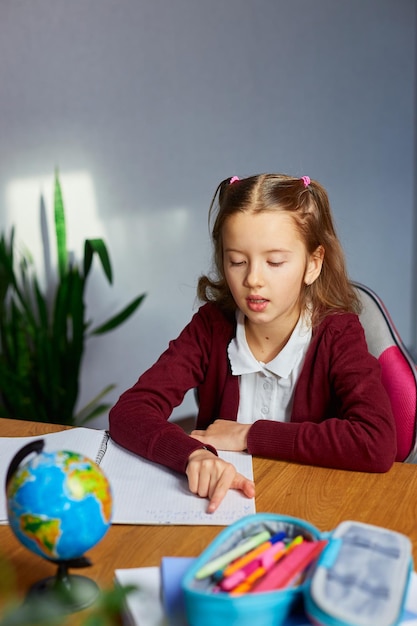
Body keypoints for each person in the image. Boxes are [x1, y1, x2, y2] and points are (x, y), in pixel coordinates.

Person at [109, 173, 397, 513]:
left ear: (313, 264)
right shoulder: (211, 327)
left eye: (274, 262)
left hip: (313, 505)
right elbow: (129, 412)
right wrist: (193, 455)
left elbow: (376, 443)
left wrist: (248, 436)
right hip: (223, 510)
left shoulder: (338, 333)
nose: (253, 280)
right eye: (237, 262)